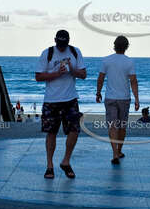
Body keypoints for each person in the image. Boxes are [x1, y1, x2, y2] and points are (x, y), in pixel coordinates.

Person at [35, 29, 87, 179]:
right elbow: (38, 76)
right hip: (51, 100)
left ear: (69, 41)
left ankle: (66, 161)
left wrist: (72, 70)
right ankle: (49, 166)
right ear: (55, 40)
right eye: (60, 44)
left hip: (70, 99)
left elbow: (83, 75)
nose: (62, 47)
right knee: (51, 133)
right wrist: (57, 73)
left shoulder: (75, 52)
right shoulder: (48, 53)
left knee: (75, 130)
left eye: (64, 44)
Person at [96, 35, 140, 165]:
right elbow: (133, 81)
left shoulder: (106, 60)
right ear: (126, 47)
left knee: (112, 126)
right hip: (124, 99)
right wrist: (137, 99)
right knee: (122, 126)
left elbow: (100, 79)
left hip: (110, 98)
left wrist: (98, 93)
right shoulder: (129, 62)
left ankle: (114, 153)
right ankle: (119, 150)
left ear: (114, 45)